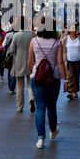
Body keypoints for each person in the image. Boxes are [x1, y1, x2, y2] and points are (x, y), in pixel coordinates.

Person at [28, 16, 67, 149]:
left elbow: (30, 62)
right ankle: (52, 130)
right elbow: (60, 62)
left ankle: (40, 139)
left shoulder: (34, 41)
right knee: (51, 105)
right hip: (54, 78)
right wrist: (66, 79)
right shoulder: (57, 42)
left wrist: (32, 73)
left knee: (40, 107)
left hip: (37, 78)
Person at [9, 17, 35, 112]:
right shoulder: (31, 34)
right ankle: (31, 98)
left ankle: (19, 106)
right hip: (30, 58)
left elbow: (12, 50)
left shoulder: (16, 35)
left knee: (19, 84)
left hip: (19, 60)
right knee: (30, 82)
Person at [62, 23, 80, 100]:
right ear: (69, 30)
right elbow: (63, 50)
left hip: (78, 60)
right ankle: (70, 91)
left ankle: (75, 91)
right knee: (70, 75)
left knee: (76, 76)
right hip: (69, 60)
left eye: (75, 28)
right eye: (72, 28)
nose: (74, 30)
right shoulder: (65, 39)